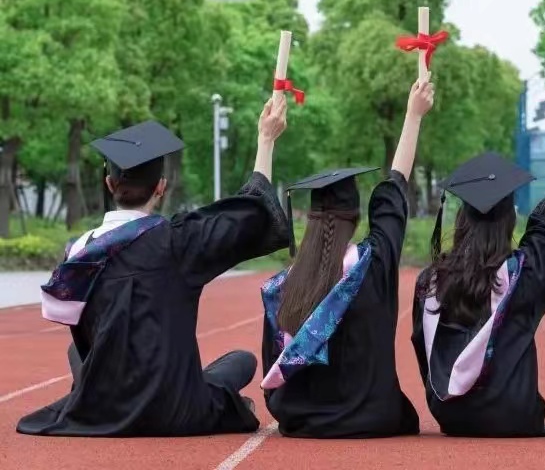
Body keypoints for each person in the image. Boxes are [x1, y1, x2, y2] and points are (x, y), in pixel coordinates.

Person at [17, 95, 291, 437]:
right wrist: (266, 139)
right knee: (241, 362)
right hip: (175, 408)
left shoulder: (80, 253)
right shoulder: (178, 242)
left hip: (105, 406)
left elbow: (62, 314)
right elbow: (250, 215)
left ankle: (105, 393)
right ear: (161, 186)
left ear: (109, 184)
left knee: (79, 351)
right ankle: (220, 400)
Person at [260, 79, 434, 438]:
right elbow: (395, 187)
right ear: (355, 217)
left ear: (310, 218)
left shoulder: (283, 287)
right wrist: (413, 115)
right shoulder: (373, 263)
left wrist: (266, 140)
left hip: (303, 420)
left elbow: (271, 362)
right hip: (373, 419)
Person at [411, 116, 545, 437]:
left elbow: (423, 351)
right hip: (516, 414)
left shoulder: (430, 282)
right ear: (511, 220)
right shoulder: (522, 274)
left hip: (450, 413)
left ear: (461, 218)